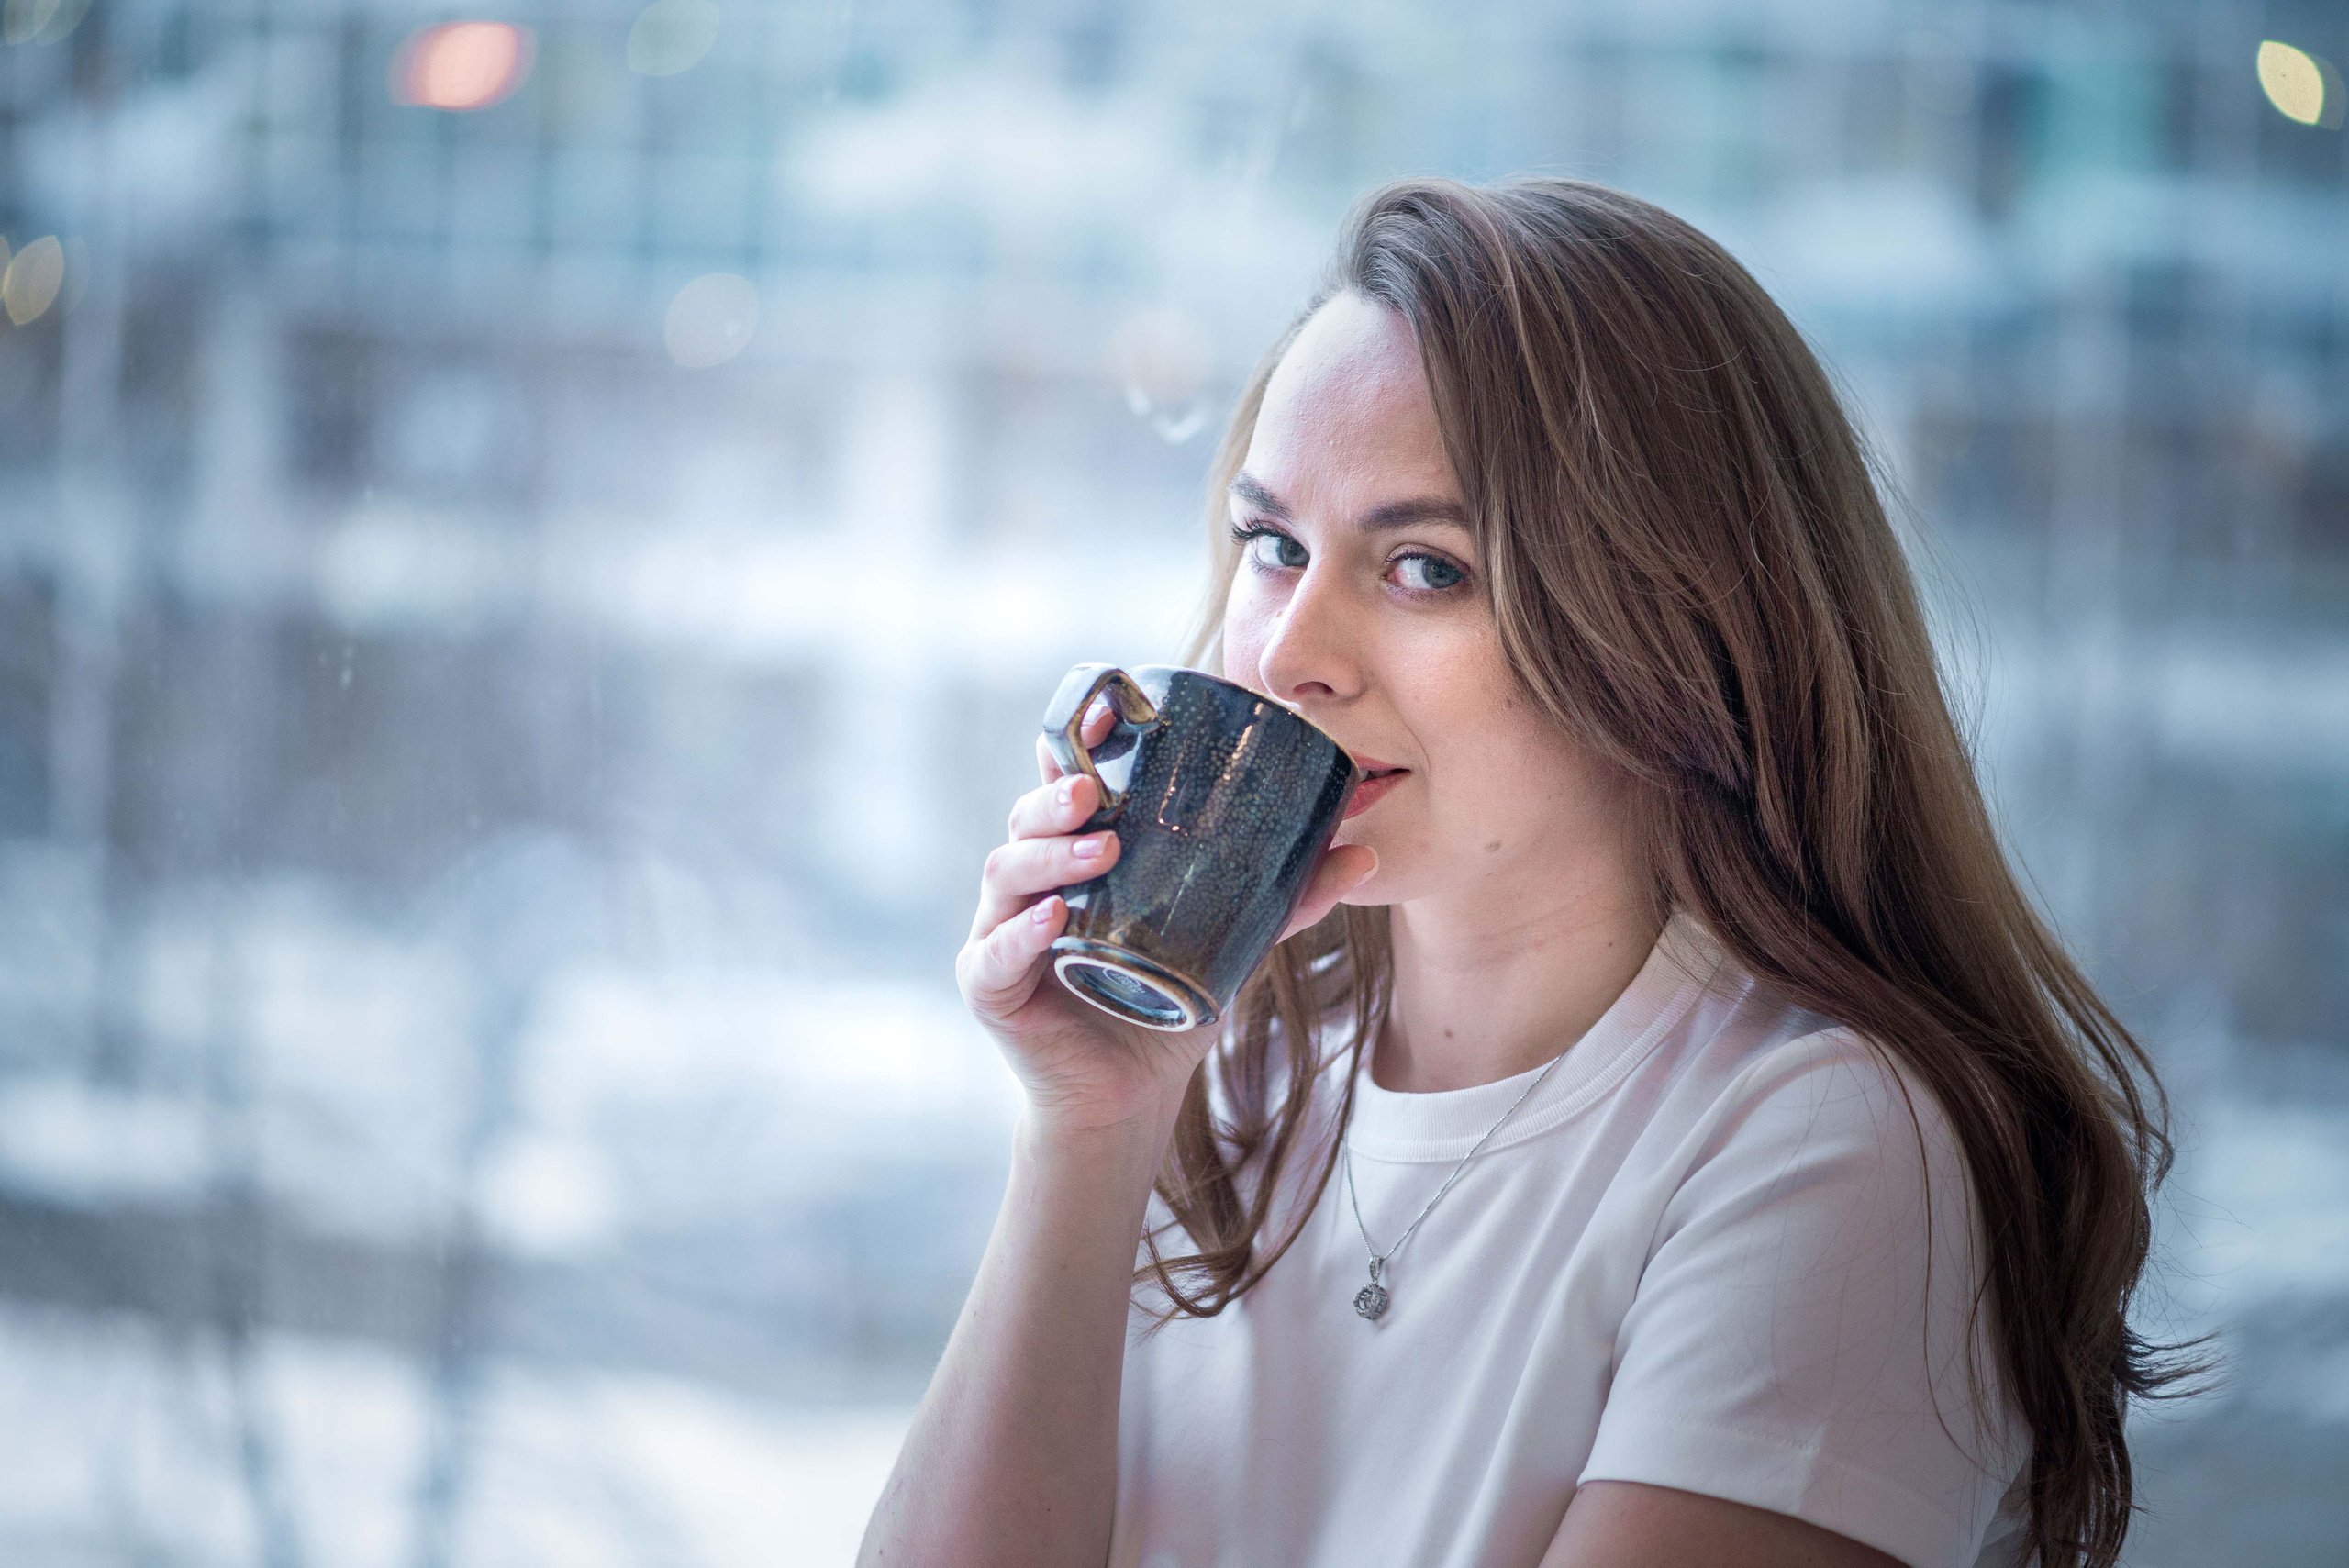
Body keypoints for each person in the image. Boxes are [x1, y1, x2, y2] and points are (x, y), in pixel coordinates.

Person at [860, 177, 2188, 1568]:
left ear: (1674, 631)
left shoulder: (1828, 1146)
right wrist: (1088, 1124)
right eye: (1273, 545)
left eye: (1426, 567)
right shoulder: (1238, 1065)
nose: (1287, 650)